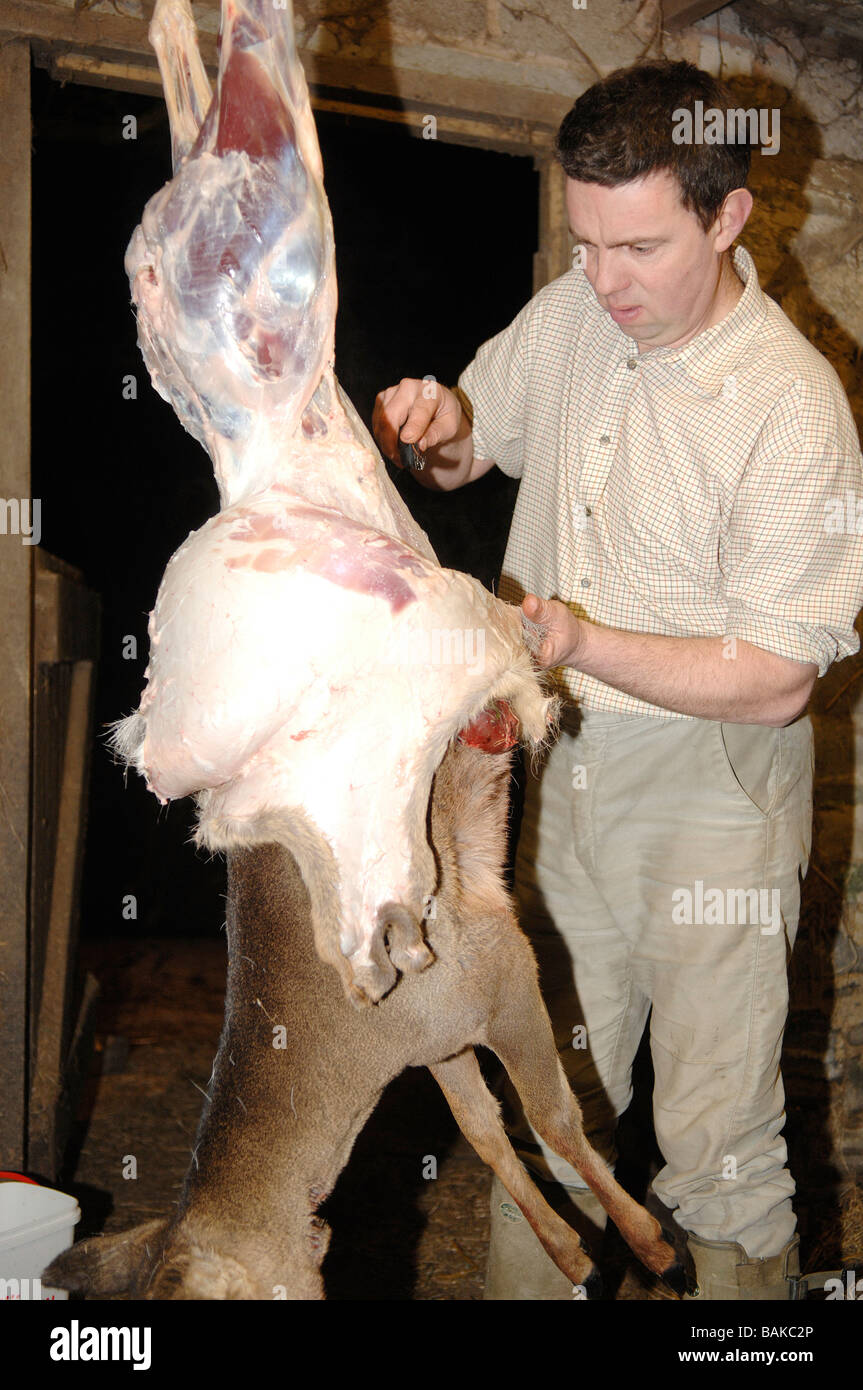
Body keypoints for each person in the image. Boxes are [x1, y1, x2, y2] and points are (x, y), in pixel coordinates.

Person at [372, 59, 863, 1301]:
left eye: (638, 247)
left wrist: (574, 640)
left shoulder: (791, 407)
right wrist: (438, 428)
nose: (605, 281)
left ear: (726, 217)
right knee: (546, 1104)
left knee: (717, 1148)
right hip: (559, 768)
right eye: (586, 243)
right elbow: (475, 447)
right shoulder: (573, 314)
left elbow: (773, 679)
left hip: (710, 795)